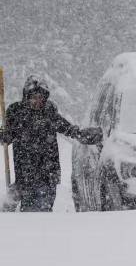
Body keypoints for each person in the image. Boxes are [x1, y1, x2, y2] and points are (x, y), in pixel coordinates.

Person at [0, 75, 102, 212]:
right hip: (25, 173)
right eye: (34, 98)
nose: (38, 101)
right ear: (26, 97)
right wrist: (4, 135)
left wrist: (81, 134)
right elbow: (8, 136)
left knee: (42, 209)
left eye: (41, 98)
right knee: (29, 212)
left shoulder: (49, 112)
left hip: (48, 172)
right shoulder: (17, 112)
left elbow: (66, 127)